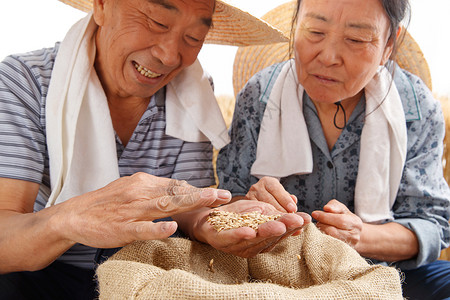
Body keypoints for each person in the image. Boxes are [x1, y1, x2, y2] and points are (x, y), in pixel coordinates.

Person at [0, 0, 310, 299]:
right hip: (37, 275)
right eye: (157, 22)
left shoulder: (193, 96)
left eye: (193, 37)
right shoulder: (26, 82)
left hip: (137, 273)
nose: (169, 55)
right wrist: (69, 221)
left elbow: (185, 209)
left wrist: (213, 219)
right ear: (102, 5)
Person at [217, 0, 450, 299]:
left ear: (388, 44)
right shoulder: (260, 96)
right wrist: (250, 204)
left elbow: (430, 227)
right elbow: (228, 200)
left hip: (381, 271)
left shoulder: (415, 109)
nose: (328, 57)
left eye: (355, 39)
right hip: (277, 270)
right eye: (314, 31)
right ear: (295, 25)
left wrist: (361, 236)